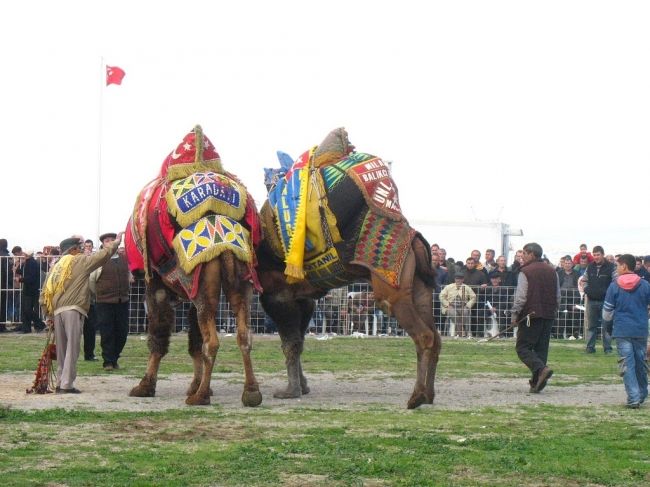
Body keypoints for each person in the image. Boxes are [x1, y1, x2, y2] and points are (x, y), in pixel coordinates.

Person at [40, 233, 122, 393]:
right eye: (81, 247)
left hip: (57, 311)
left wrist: (47, 314)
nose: (84, 250)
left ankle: (59, 382)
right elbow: (103, 256)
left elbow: (44, 292)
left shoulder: (56, 266)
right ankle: (67, 384)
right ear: (74, 250)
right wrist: (116, 243)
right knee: (73, 348)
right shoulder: (79, 260)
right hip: (73, 308)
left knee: (62, 349)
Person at [511, 242, 560, 393]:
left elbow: (521, 297)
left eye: (524, 254)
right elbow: (558, 295)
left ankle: (541, 370)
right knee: (541, 349)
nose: (522, 257)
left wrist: (515, 314)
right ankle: (536, 382)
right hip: (548, 314)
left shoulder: (525, 271)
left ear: (532, 254)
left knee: (522, 347)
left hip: (530, 315)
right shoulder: (553, 271)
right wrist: (554, 311)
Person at [602, 254, 650, 408]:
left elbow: (607, 312)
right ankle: (642, 392)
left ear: (624, 266)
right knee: (640, 362)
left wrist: (608, 326)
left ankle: (633, 397)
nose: (616, 268)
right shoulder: (645, 285)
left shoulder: (614, 285)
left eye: (617, 265)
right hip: (640, 329)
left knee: (626, 364)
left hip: (622, 329)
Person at [90, 232, 131, 371]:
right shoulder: (99, 260)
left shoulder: (124, 257)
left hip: (122, 300)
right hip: (104, 301)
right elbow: (91, 281)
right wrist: (99, 294)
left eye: (112, 240)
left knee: (122, 332)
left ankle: (115, 357)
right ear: (103, 244)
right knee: (107, 332)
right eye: (107, 240)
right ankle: (108, 361)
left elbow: (129, 274)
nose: (110, 242)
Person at [579, 245, 617, 354]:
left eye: (598, 255)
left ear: (603, 254)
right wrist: (587, 290)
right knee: (591, 326)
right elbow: (584, 280)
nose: (596, 257)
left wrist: (608, 294)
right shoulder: (590, 266)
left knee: (607, 326)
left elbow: (615, 282)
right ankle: (590, 348)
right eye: (594, 255)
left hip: (607, 302)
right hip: (591, 300)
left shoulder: (611, 267)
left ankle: (608, 348)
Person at [13, 248, 46, 333]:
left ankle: (39, 324)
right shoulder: (28, 262)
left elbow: (30, 278)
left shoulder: (32, 263)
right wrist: (17, 267)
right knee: (26, 309)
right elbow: (23, 272)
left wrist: (20, 280)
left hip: (30, 289)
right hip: (29, 289)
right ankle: (28, 327)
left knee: (27, 309)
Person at [440, 271, 476, 338]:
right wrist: (447, 305)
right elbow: (441, 296)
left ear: (463, 279)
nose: (458, 280)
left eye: (460, 278)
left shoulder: (467, 287)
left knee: (465, 312)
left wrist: (468, 305)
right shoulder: (448, 287)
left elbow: (473, 297)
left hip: (463, 306)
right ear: (455, 279)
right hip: (451, 306)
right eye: (457, 278)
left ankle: (466, 332)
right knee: (454, 314)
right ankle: (461, 332)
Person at [0, 238, 13, 332]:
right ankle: (2, 326)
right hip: (3, 284)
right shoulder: (6, 256)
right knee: (3, 305)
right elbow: (7, 272)